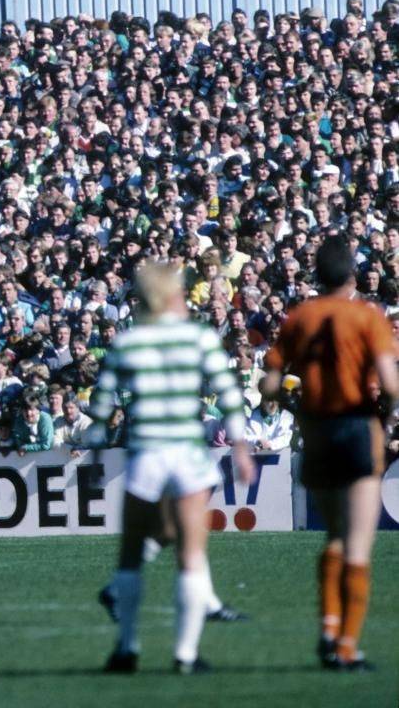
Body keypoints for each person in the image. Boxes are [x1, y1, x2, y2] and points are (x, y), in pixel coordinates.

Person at [90, 261, 254, 675]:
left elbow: (103, 403)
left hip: (146, 453)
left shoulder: (129, 340)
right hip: (187, 454)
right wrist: (240, 446)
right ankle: (185, 655)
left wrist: (94, 451)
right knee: (191, 554)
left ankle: (126, 649)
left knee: (129, 555)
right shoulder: (197, 336)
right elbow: (228, 392)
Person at [263, 234, 398, 670]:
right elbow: (390, 384)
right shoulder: (366, 316)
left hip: (317, 430)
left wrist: (292, 400)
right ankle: (345, 645)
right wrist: (388, 415)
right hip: (357, 426)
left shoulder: (300, 317)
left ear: (316, 275)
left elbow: (268, 382)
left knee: (334, 535)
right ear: (353, 275)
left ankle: (327, 625)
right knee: (359, 542)